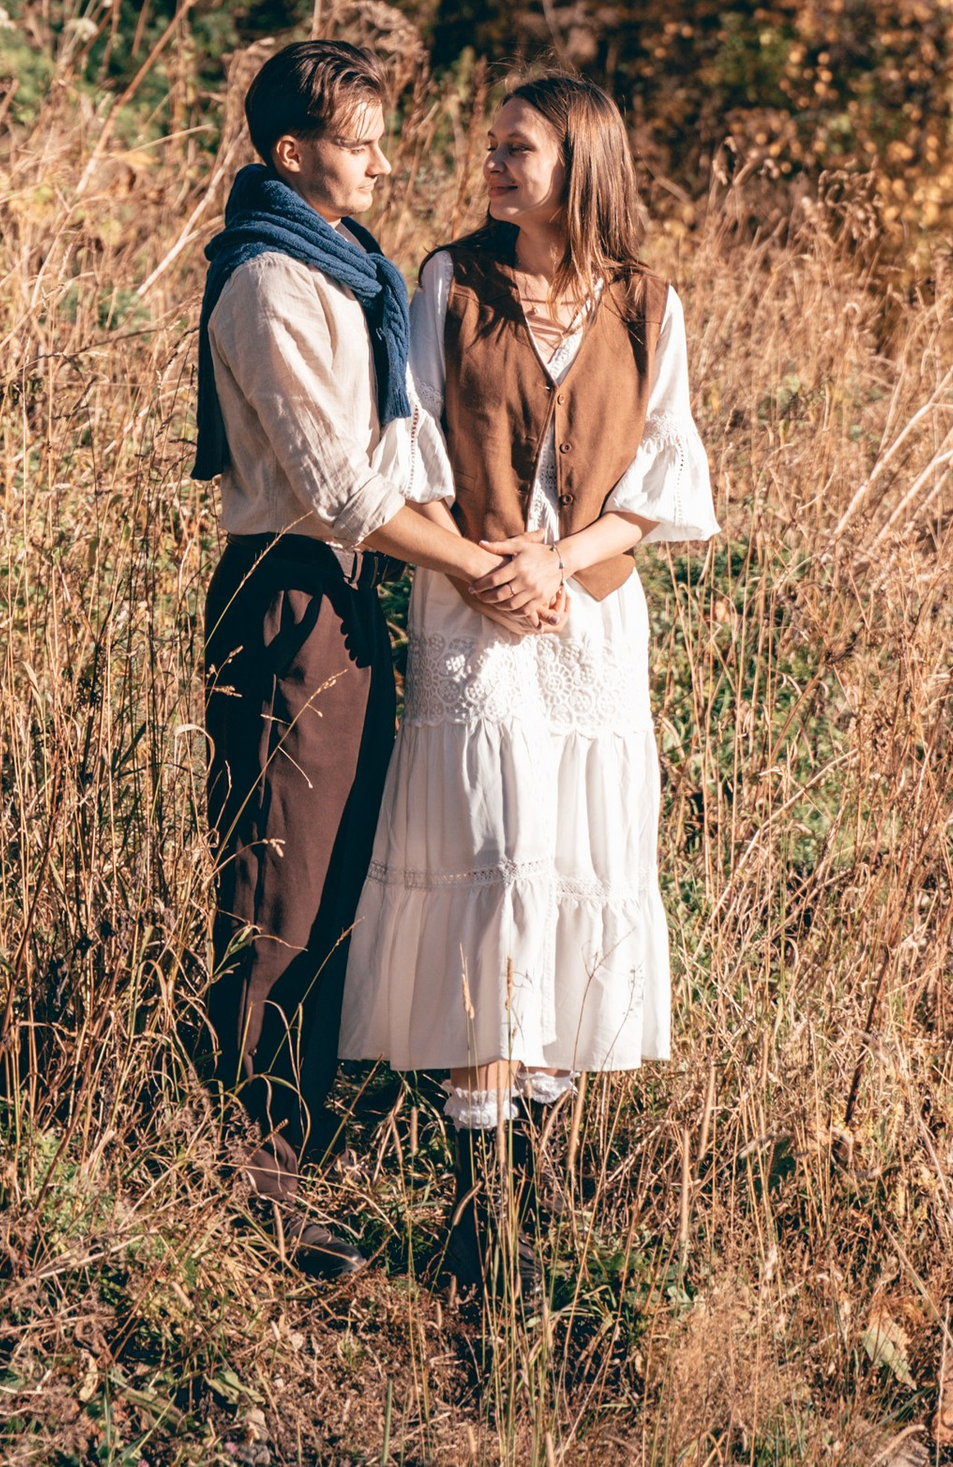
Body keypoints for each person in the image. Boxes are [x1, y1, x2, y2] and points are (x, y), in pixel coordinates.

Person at [340, 72, 718, 1305]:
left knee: (568, 882)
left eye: (517, 149)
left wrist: (560, 562)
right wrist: (492, 566)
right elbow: (409, 438)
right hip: (471, 619)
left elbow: (661, 489)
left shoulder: (651, 305)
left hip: (592, 629)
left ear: (581, 164)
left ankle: (528, 1211)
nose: (492, 164)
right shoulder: (447, 279)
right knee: (498, 875)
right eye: (492, 147)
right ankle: (477, 1222)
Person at [194, 38, 537, 1277]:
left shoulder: (351, 278)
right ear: (293, 155)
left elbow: (395, 469)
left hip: (348, 600)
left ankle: (295, 1155)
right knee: (276, 893)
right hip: (289, 595)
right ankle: (248, 1185)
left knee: (336, 887)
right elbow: (338, 487)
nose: (383, 163)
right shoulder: (270, 286)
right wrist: (469, 567)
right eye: (359, 144)